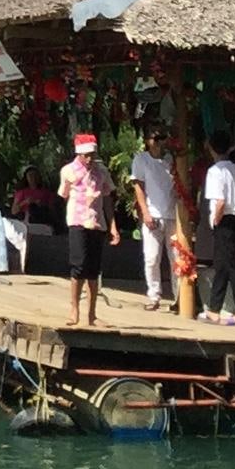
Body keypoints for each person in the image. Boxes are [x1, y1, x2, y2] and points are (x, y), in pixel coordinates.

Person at [57, 130, 115, 325]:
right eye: (86, 155)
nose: (89, 159)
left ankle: (92, 314)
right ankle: (74, 309)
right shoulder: (68, 171)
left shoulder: (102, 172)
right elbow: (64, 195)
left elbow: (107, 198)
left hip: (97, 223)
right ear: (79, 154)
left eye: (92, 155)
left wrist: (113, 226)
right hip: (77, 221)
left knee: (93, 269)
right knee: (79, 265)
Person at [197, 134, 235, 325]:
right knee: (222, 265)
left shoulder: (215, 171)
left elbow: (220, 201)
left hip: (225, 220)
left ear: (212, 149)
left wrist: (216, 220)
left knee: (232, 266)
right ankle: (214, 308)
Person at [127, 125, 179, 312]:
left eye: (162, 138)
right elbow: (138, 187)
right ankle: (154, 296)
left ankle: (179, 297)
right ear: (147, 141)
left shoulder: (171, 159)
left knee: (176, 258)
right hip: (153, 213)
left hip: (172, 215)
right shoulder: (141, 159)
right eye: (155, 138)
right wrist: (145, 212)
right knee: (152, 258)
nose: (158, 142)